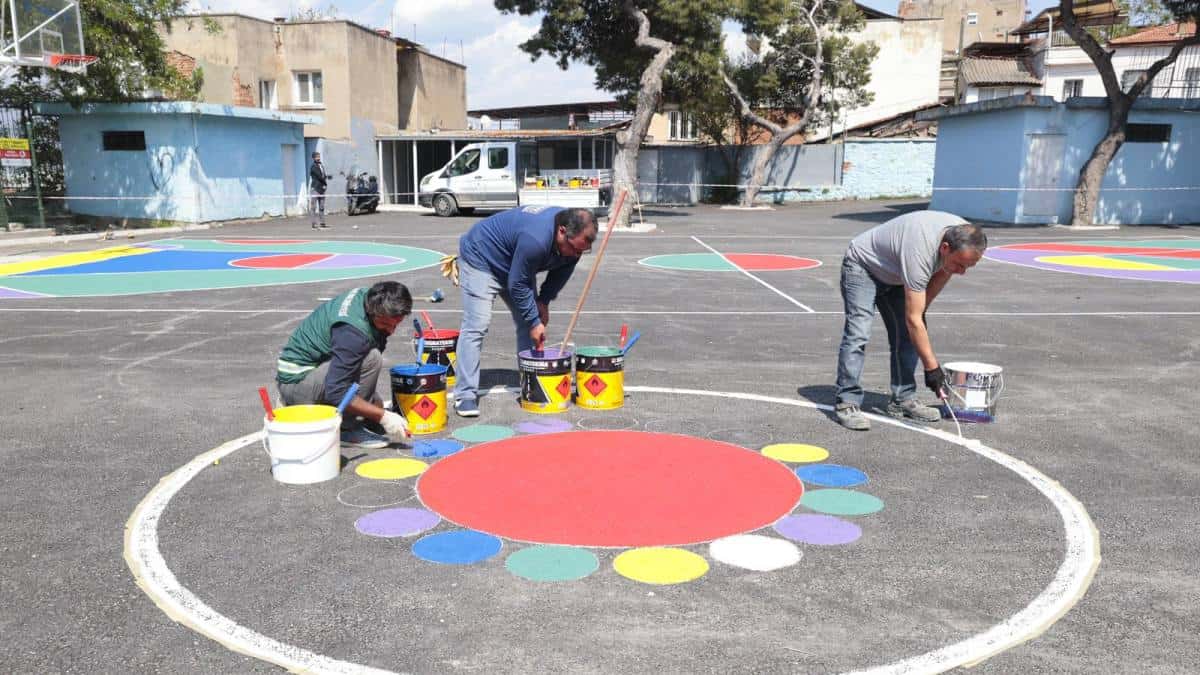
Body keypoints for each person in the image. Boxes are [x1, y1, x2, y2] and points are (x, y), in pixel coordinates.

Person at [833, 210, 987, 431]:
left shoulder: (962, 239)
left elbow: (920, 311)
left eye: (967, 267)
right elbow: (913, 317)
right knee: (858, 333)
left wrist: (917, 327)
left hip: (897, 273)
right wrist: (932, 369)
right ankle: (847, 402)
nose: (961, 272)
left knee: (909, 333)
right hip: (863, 267)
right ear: (945, 249)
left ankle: (903, 400)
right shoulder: (920, 250)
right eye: (959, 264)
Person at [450, 205, 598, 417]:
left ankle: (531, 381)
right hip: (482, 258)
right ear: (562, 231)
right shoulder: (536, 239)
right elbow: (517, 284)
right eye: (574, 249)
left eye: (581, 251)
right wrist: (534, 320)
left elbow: (560, 273)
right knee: (477, 324)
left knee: (530, 323)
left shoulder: (575, 244)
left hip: (517, 265)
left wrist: (543, 302)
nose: (576, 255)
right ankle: (465, 394)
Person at [276, 281, 412, 448]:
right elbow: (337, 391)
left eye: (396, 324)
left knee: (372, 400)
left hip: (310, 371)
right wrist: (382, 416)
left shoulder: (369, 297)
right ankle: (346, 429)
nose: (391, 330)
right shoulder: (352, 333)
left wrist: (371, 406)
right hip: (297, 381)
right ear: (372, 312)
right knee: (371, 359)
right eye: (385, 324)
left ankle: (309, 404)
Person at [309, 151, 329, 230]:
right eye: (317, 157)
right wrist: (325, 183)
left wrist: (325, 182)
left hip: (322, 189)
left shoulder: (321, 165)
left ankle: (322, 222)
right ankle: (314, 223)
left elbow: (323, 175)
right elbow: (319, 176)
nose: (318, 158)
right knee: (313, 207)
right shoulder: (313, 166)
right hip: (315, 188)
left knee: (321, 206)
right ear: (313, 158)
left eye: (319, 156)